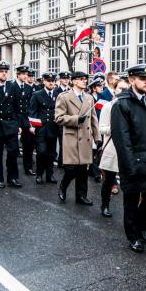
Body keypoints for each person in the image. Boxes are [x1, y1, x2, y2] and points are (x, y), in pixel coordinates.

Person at [111, 64, 146, 253]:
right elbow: (122, 141)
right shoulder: (122, 104)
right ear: (132, 80)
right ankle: (133, 236)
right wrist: (131, 167)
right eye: (143, 79)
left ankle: (141, 227)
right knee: (131, 202)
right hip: (134, 163)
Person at [55, 71, 100, 205]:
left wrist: (97, 137)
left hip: (85, 137)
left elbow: (94, 119)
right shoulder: (63, 97)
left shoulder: (89, 98)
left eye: (85, 79)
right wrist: (75, 119)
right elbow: (58, 118)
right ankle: (63, 186)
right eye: (81, 79)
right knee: (71, 169)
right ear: (74, 81)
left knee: (83, 169)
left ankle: (81, 196)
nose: (85, 81)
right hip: (71, 137)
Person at [29, 72, 59, 185]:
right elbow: (32, 111)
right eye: (48, 81)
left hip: (53, 127)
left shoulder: (58, 94)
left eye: (53, 81)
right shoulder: (37, 94)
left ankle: (49, 175)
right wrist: (32, 125)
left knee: (51, 153)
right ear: (44, 81)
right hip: (41, 127)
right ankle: (39, 174)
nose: (51, 83)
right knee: (41, 152)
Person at [98, 91, 118, 218]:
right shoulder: (108, 106)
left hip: (129, 150)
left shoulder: (132, 105)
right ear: (115, 91)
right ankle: (105, 205)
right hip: (112, 148)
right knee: (108, 181)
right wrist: (115, 127)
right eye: (121, 88)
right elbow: (102, 128)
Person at [13, 65, 36, 176]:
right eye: (23, 74)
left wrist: (31, 123)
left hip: (26, 120)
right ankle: (13, 172)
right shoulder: (11, 86)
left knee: (29, 145)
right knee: (13, 147)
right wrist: (16, 123)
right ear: (18, 74)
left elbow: (31, 106)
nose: (25, 76)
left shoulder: (28, 88)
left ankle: (28, 167)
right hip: (14, 119)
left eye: (26, 74)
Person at [55, 71, 71, 168]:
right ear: (60, 80)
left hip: (68, 119)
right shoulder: (57, 92)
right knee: (61, 142)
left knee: (66, 142)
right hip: (59, 119)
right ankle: (61, 161)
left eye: (67, 78)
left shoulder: (71, 91)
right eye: (64, 78)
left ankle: (63, 161)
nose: (66, 80)